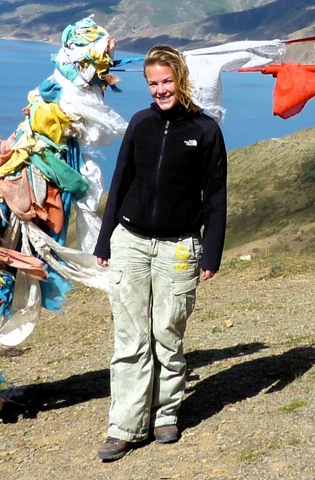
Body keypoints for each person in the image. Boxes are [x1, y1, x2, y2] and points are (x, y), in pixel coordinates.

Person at [93, 45, 227, 462]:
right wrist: (104, 239)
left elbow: (217, 196)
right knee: (130, 336)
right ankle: (125, 426)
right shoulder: (140, 123)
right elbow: (121, 181)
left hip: (180, 246)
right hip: (130, 241)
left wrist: (211, 253)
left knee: (167, 333)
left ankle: (165, 413)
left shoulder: (205, 131)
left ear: (181, 79)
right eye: (153, 83)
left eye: (167, 81)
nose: (160, 90)